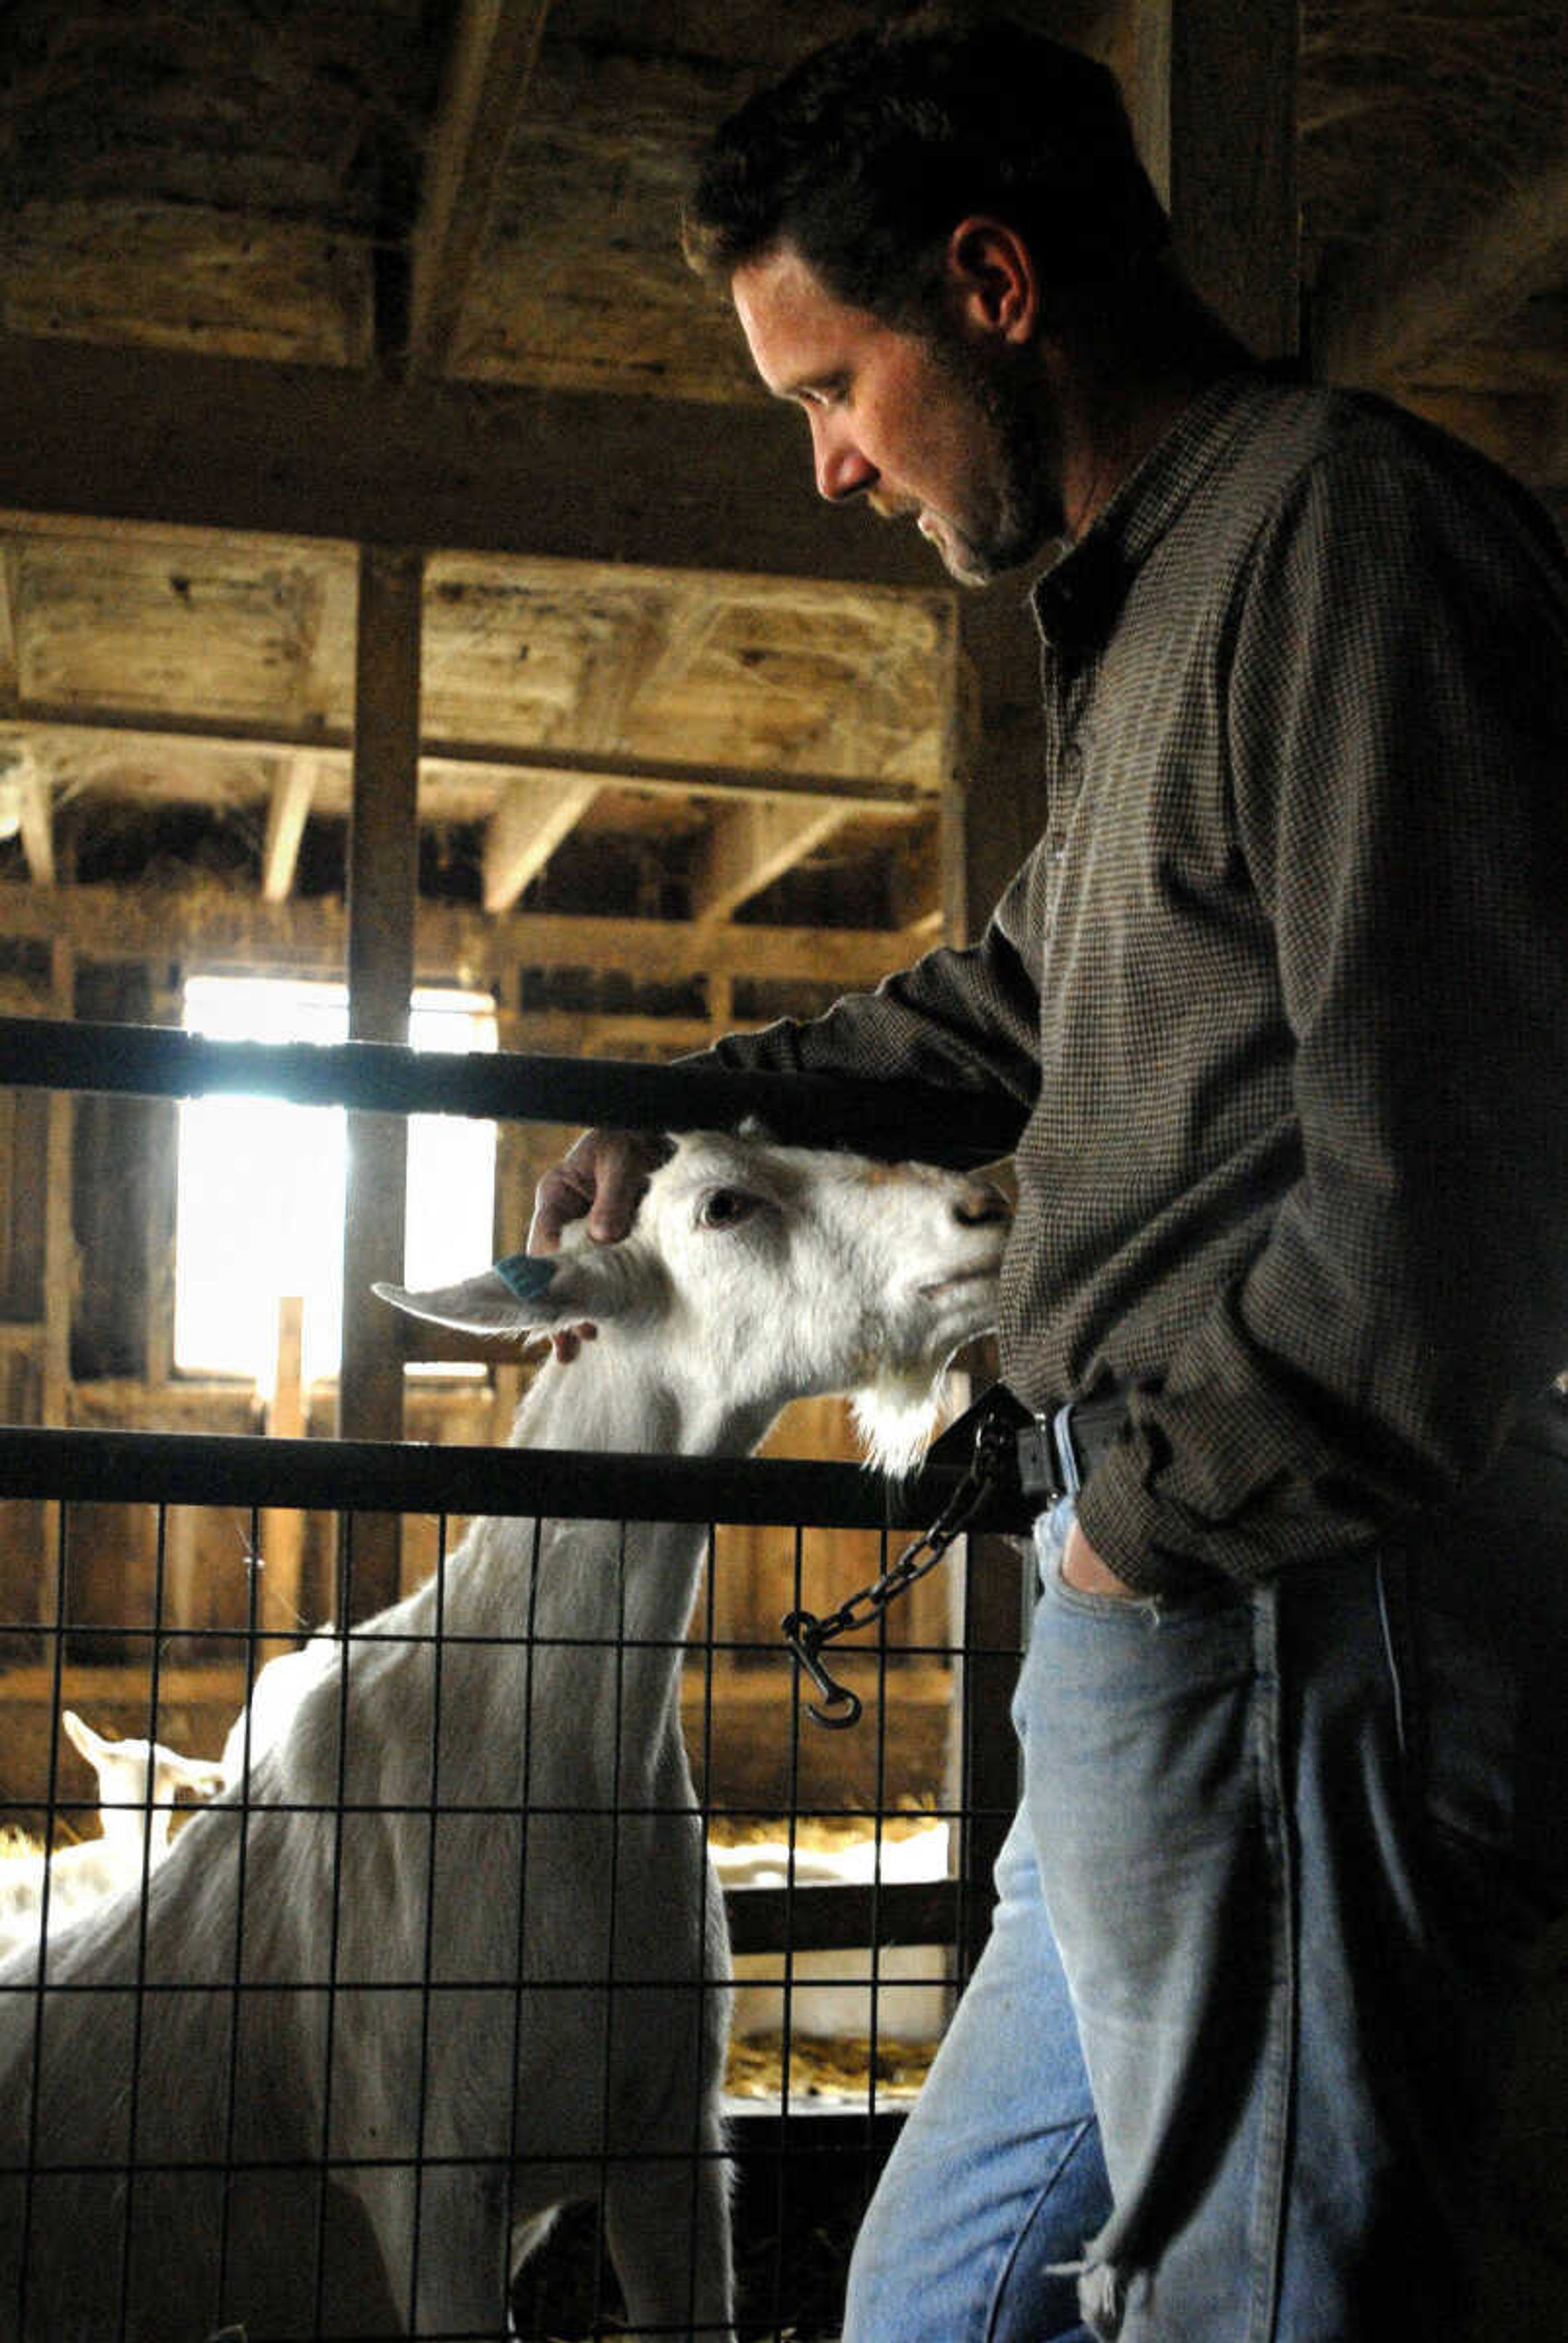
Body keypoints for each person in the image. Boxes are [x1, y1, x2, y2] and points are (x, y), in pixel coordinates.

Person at [528, 15, 1568, 2340]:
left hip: (1289, 1603)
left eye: (829, 390)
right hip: (1156, 1620)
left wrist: (1135, 1534)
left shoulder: (1341, 551)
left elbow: (1450, 1216)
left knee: (1262, 2295)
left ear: (994, 284)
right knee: (936, 2291)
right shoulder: (1163, 593)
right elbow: (1017, 1006)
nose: (825, 469)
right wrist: (696, 1075)